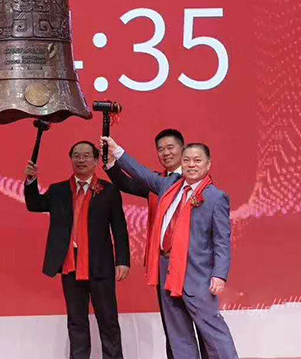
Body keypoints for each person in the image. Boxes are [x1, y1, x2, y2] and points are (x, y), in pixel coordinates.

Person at [102, 136, 238, 359]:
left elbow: (222, 241)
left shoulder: (215, 197)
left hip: (198, 274)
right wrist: (117, 151)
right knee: (178, 335)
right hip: (167, 268)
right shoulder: (169, 184)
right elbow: (141, 173)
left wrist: (219, 275)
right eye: (187, 160)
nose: (191, 165)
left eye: (197, 160)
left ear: (208, 164)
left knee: (213, 333)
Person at [24, 141, 130, 359]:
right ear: (71, 159)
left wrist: (123, 260)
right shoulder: (59, 190)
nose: (81, 160)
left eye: (86, 156)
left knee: (108, 321)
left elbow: (119, 227)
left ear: (96, 160)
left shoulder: (109, 191)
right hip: (70, 264)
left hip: (100, 265)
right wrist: (31, 181)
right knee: (76, 321)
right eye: (76, 156)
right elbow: (34, 204)